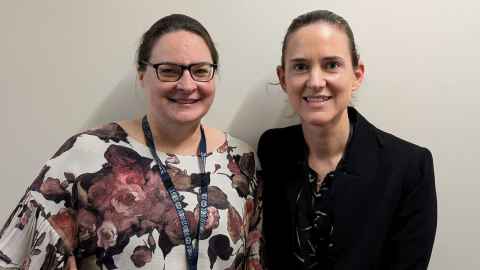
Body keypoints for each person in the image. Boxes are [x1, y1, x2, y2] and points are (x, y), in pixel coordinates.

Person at [0, 14, 262, 270]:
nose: (186, 84)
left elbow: (253, 256)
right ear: (141, 75)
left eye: (201, 71)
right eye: (169, 71)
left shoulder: (239, 160)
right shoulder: (87, 152)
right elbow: (15, 256)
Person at [258, 10, 436, 270]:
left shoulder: (409, 168)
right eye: (300, 66)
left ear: (357, 75)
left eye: (331, 65)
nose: (316, 81)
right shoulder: (273, 149)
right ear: (283, 78)